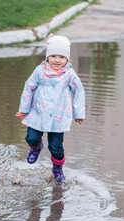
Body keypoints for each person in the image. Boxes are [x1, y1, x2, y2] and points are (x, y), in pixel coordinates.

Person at [15, 34, 86, 183]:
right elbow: (29, 88)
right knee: (32, 137)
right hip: (38, 113)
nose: (57, 60)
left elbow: (78, 91)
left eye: (61, 57)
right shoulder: (40, 71)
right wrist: (24, 109)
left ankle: (57, 168)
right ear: (47, 56)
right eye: (53, 56)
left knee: (56, 147)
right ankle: (36, 147)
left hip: (58, 117)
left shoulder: (69, 74)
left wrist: (78, 113)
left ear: (67, 58)